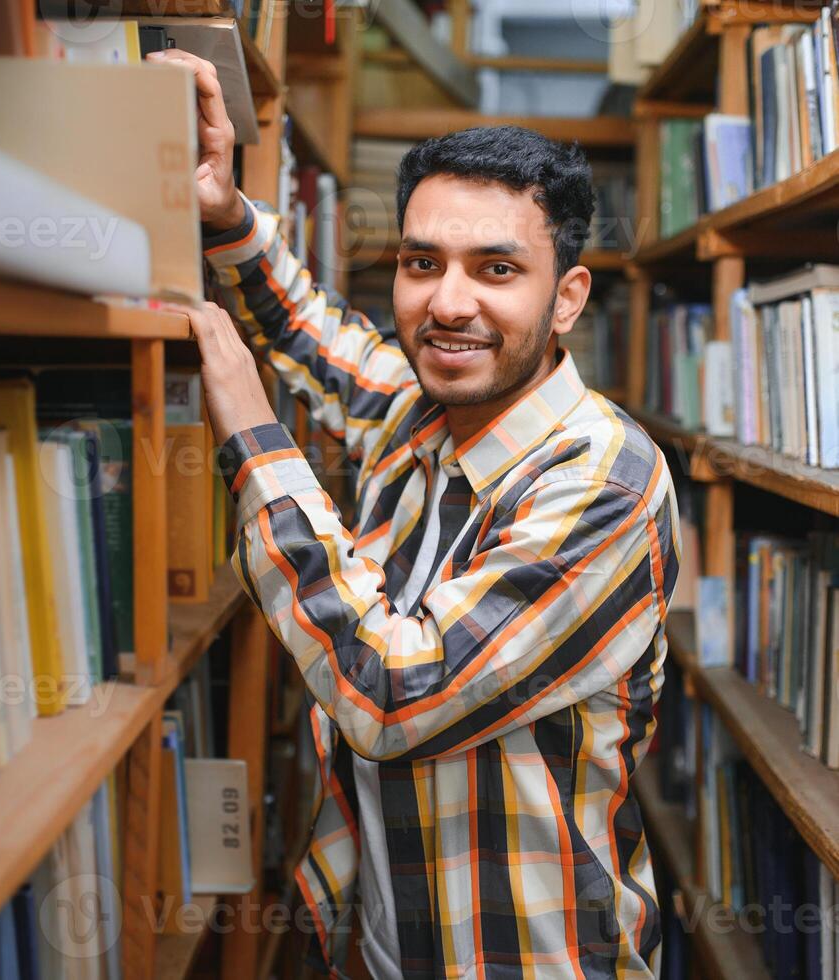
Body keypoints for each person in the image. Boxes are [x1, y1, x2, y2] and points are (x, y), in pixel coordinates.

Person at [146, 48, 681, 979]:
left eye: (497, 268)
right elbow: (321, 336)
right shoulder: (421, 410)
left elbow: (392, 695)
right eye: (421, 262)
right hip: (379, 941)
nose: (449, 303)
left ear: (566, 300)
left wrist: (255, 438)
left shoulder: (608, 484)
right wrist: (228, 213)